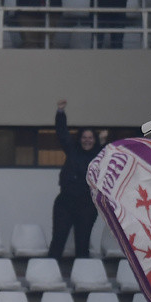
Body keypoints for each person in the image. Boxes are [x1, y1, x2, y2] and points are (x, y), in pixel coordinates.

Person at [47, 101, 103, 259]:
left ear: (95, 139)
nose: (87, 140)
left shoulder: (100, 155)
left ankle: (83, 278)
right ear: (80, 139)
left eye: (90, 138)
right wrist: (60, 113)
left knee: (83, 243)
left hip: (87, 204)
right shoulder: (72, 150)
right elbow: (62, 133)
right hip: (65, 202)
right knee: (58, 240)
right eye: (84, 137)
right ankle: (49, 275)